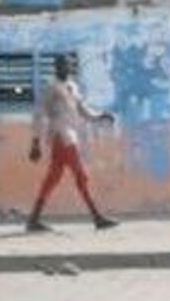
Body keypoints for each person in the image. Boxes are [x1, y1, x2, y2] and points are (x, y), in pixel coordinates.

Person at [26, 55, 118, 232]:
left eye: (67, 65)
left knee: (52, 178)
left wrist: (100, 116)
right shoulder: (51, 87)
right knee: (81, 175)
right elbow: (39, 114)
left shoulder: (72, 87)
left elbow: (83, 110)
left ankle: (33, 219)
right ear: (56, 67)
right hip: (61, 137)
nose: (65, 68)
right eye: (61, 65)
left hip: (69, 136)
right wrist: (35, 142)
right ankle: (97, 217)